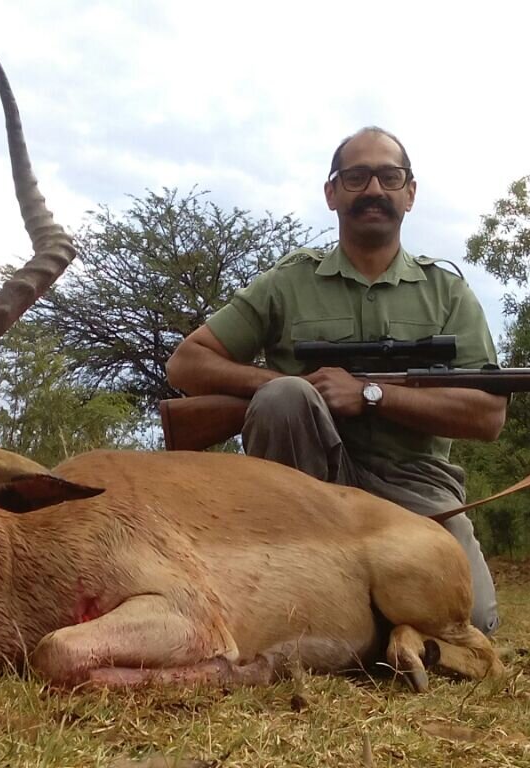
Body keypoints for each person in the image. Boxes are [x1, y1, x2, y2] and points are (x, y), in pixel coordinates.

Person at [165, 126, 505, 634]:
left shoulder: (448, 292)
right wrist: (290, 387)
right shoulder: (290, 280)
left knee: (470, 619)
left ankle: (335, 616)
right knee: (284, 396)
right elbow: (186, 363)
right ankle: (297, 591)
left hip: (414, 485)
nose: (373, 190)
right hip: (303, 493)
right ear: (332, 192)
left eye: (390, 177)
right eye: (356, 177)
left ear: (410, 193)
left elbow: (489, 413)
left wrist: (370, 395)